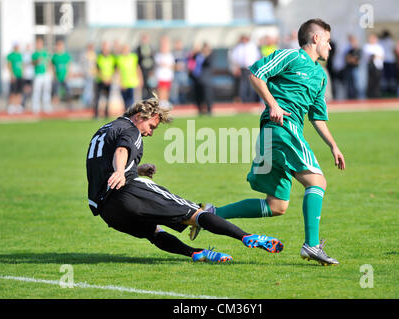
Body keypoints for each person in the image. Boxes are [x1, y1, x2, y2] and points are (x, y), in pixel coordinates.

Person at [190, 19, 346, 266]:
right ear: (316, 39)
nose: (330, 46)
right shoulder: (290, 57)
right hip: (281, 129)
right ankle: (311, 246)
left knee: (276, 205)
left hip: (283, 133)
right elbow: (256, 73)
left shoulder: (319, 76)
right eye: (327, 40)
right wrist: (273, 104)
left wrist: (333, 146)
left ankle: (211, 214)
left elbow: (317, 116)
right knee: (317, 181)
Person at [85, 95, 284, 263]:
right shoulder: (131, 130)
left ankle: (197, 253)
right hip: (128, 193)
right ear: (140, 116)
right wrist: (122, 171)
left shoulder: (105, 130)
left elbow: (103, 164)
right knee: (195, 213)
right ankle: (247, 237)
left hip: (107, 210)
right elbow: (121, 150)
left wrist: (136, 169)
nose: (150, 133)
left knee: (154, 232)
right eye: (152, 126)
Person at [230, 35, 261, 102]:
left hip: (251, 68)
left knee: (251, 84)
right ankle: (244, 100)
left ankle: (251, 100)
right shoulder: (238, 47)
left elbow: (257, 57)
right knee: (243, 85)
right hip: (242, 68)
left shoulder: (252, 46)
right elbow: (235, 58)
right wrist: (237, 67)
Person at [116, 44, 142, 110]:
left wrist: (140, 79)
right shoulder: (119, 58)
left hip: (132, 82)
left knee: (131, 101)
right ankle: (127, 116)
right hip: (124, 83)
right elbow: (118, 72)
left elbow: (137, 68)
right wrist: (120, 83)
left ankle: (131, 116)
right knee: (125, 101)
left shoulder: (133, 57)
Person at [94, 41, 116, 119]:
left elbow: (114, 69)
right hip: (100, 81)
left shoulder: (112, 58)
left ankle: (106, 114)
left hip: (109, 81)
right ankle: (96, 115)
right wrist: (103, 78)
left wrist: (110, 79)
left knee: (107, 98)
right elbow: (97, 69)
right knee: (98, 98)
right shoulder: (99, 57)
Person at [191, 43, 214, 115]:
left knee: (207, 95)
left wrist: (206, 55)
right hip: (197, 79)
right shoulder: (198, 55)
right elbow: (192, 58)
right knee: (198, 95)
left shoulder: (209, 56)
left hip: (206, 79)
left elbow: (208, 63)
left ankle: (209, 109)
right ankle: (200, 109)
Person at [32, 37, 52, 113]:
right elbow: (33, 63)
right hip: (38, 74)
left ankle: (46, 106)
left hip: (46, 74)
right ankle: (35, 107)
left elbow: (49, 62)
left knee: (46, 90)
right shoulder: (35, 54)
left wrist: (49, 70)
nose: (39, 45)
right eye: (38, 43)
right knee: (37, 90)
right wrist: (37, 61)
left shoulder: (45, 53)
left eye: (40, 43)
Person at [154, 36, 175, 110]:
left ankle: (165, 102)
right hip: (161, 75)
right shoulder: (158, 55)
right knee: (161, 89)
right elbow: (160, 63)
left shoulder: (170, 55)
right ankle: (161, 102)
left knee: (166, 89)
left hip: (168, 75)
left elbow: (172, 65)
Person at [362, 33, 384, 98]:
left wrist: (375, 56)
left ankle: (377, 95)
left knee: (377, 82)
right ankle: (370, 95)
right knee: (370, 82)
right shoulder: (367, 46)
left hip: (378, 67)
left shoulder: (379, 47)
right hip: (370, 66)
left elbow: (382, 56)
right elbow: (367, 56)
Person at [51, 40, 72, 108]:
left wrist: (68, 74)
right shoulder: (55, 56)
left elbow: (68, 66)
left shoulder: (66, 55)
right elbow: (52, 66)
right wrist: (54, 75)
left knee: (68, 92)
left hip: (64, 77)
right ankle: (55, 108)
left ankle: (69, 107)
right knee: (56, 93)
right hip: (57, 77)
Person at [136, 33, 155, 100]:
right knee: (143, 88)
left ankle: (150, 101)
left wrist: (152, 70)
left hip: (149, 71)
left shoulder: (151, 48)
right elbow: (137, 62)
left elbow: (153, 60)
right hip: (142, 71)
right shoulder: (138, 49)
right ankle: (144, 102)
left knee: (151, 87)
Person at [6, 43, 24, 114]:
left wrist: (22, 73)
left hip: (20, 75)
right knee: (13, 91)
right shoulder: (11, 55)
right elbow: (9, 65)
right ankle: (11, 106)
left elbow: (21, 65)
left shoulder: (20, 55)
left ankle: (18, 105)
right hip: (14, 76)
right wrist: (12, 74)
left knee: (19, 92)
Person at [343, 35, 361, 99]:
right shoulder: (349, 50)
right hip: (349, 68)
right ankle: (350, 97)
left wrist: (351, 59)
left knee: (356, 84)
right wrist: (351, 59)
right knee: (349, 84)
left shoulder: (358, 50)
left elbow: (356, 60)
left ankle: (356, 97)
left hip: (355, 68)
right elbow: (347, 59)